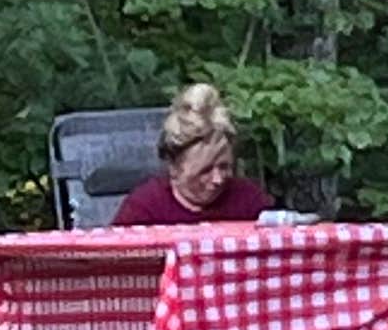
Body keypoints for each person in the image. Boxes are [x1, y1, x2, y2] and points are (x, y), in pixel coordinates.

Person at [112, 83, 274, 229]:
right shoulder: (143, 211)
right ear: (174, 167)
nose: (218, 179)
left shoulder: (250, 201)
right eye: (205, 171)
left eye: (224, 167)